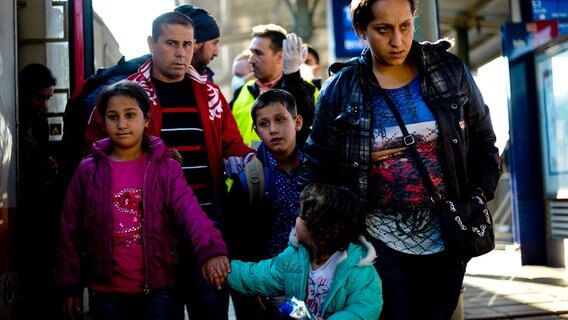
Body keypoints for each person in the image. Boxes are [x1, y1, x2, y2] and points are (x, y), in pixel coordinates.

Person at [298, 0, 502, 319]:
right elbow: (315, 166)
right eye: (383, 29)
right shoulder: (340, 89)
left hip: (446, 235)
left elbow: (483, 141)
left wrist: (476, 198)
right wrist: (323, 224)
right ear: (360, 30)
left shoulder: (449, 72)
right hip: (375, 238)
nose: (398, 41)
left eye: (405, 26)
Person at [84, 11, 254, 320]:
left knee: (211, 311)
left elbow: (233, 144)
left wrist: (252, 161)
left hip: (206, 226)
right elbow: (95, 154)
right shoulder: (126, 96)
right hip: (150, 234)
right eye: (171, 43)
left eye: (188, 44)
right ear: (151, 43)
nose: (181, 53)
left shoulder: (211, 93)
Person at [54, 80, 230, 320]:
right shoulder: (87, 171)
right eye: (113, 117)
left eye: (130, 115)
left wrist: (211, 251)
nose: (122, 124)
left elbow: (191, 214)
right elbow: (69, 230)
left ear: (146, 119)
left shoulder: (165, 168)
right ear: (103, 122)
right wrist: (69, 287)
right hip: (105, 294)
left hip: (158, 292)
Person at [225, 183, 383, 320]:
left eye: (301, 216)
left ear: (319, 231)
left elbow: (363, 311)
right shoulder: (293, 258)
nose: (297, 219)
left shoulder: (360, 270)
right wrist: (224, 270)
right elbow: (257, 276)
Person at [225, 89, 305, 319]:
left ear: (297, 122)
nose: (273, 129)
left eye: (280, 120)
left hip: (312, 279)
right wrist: (254, 284)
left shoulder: (316, 168)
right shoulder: (249, 179)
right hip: (269, 282)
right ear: (257, 131)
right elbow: (236, 237)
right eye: (264, 123)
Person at [17, 63, 61, 319]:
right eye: (39, 97)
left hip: (36, 209)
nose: (44, 105)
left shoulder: (40, 124)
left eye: (47, 98)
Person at [230, 24, 317, 149]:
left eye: (258, 54)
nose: (251, 60)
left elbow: (304, 121)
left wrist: (292, 74)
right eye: (251, 53)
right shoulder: (242, 91)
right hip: (249, 167)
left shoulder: (306, 89)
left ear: (280, 57)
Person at [174, 4, 220, 81]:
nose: (216, 53)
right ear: (195, 43)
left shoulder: (204, 79)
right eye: (214, 43)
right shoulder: (152, 79)